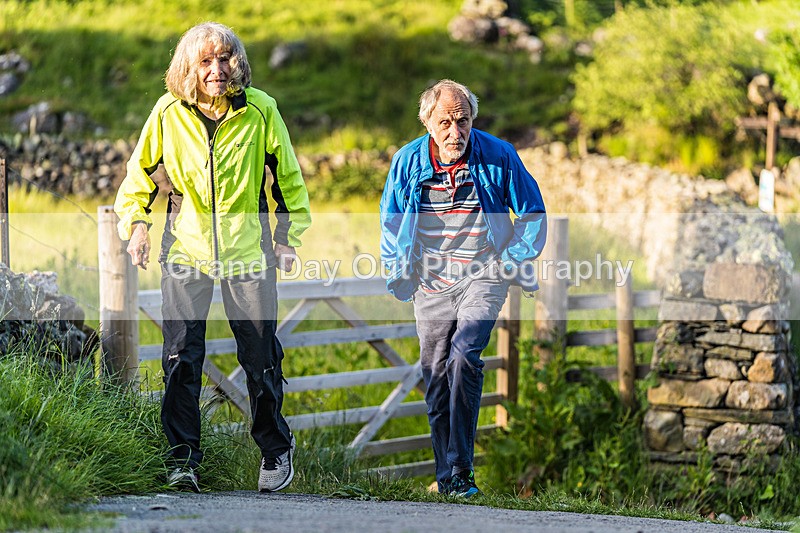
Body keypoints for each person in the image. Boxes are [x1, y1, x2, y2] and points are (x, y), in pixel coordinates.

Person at [114, 22, 310, 493]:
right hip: (186, 251)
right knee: (181, 359)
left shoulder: (261, 110)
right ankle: (183, 460)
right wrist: (137, 225)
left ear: (236, 61)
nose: (217, 70)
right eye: (205, 62)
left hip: (249, 252)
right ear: (188, 67)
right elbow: (137, 177)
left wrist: (287, 237)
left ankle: (275, 449)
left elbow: (285, 175)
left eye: (224, 59)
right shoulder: (167, 112)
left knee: (260, 357)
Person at [379, 80, 546, 497]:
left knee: (465, 355)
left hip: (484, 274)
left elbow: (533, 213)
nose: (456, 132)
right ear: (427, 122)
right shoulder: (406, 163)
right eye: (446, 123)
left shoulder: (499, 156)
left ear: (473, 119)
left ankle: (462, 473)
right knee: (435, 375)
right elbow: (391, 223)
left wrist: (511, 262)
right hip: (431, 281)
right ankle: (447, 476)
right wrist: (400, 272)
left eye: (463, 120)